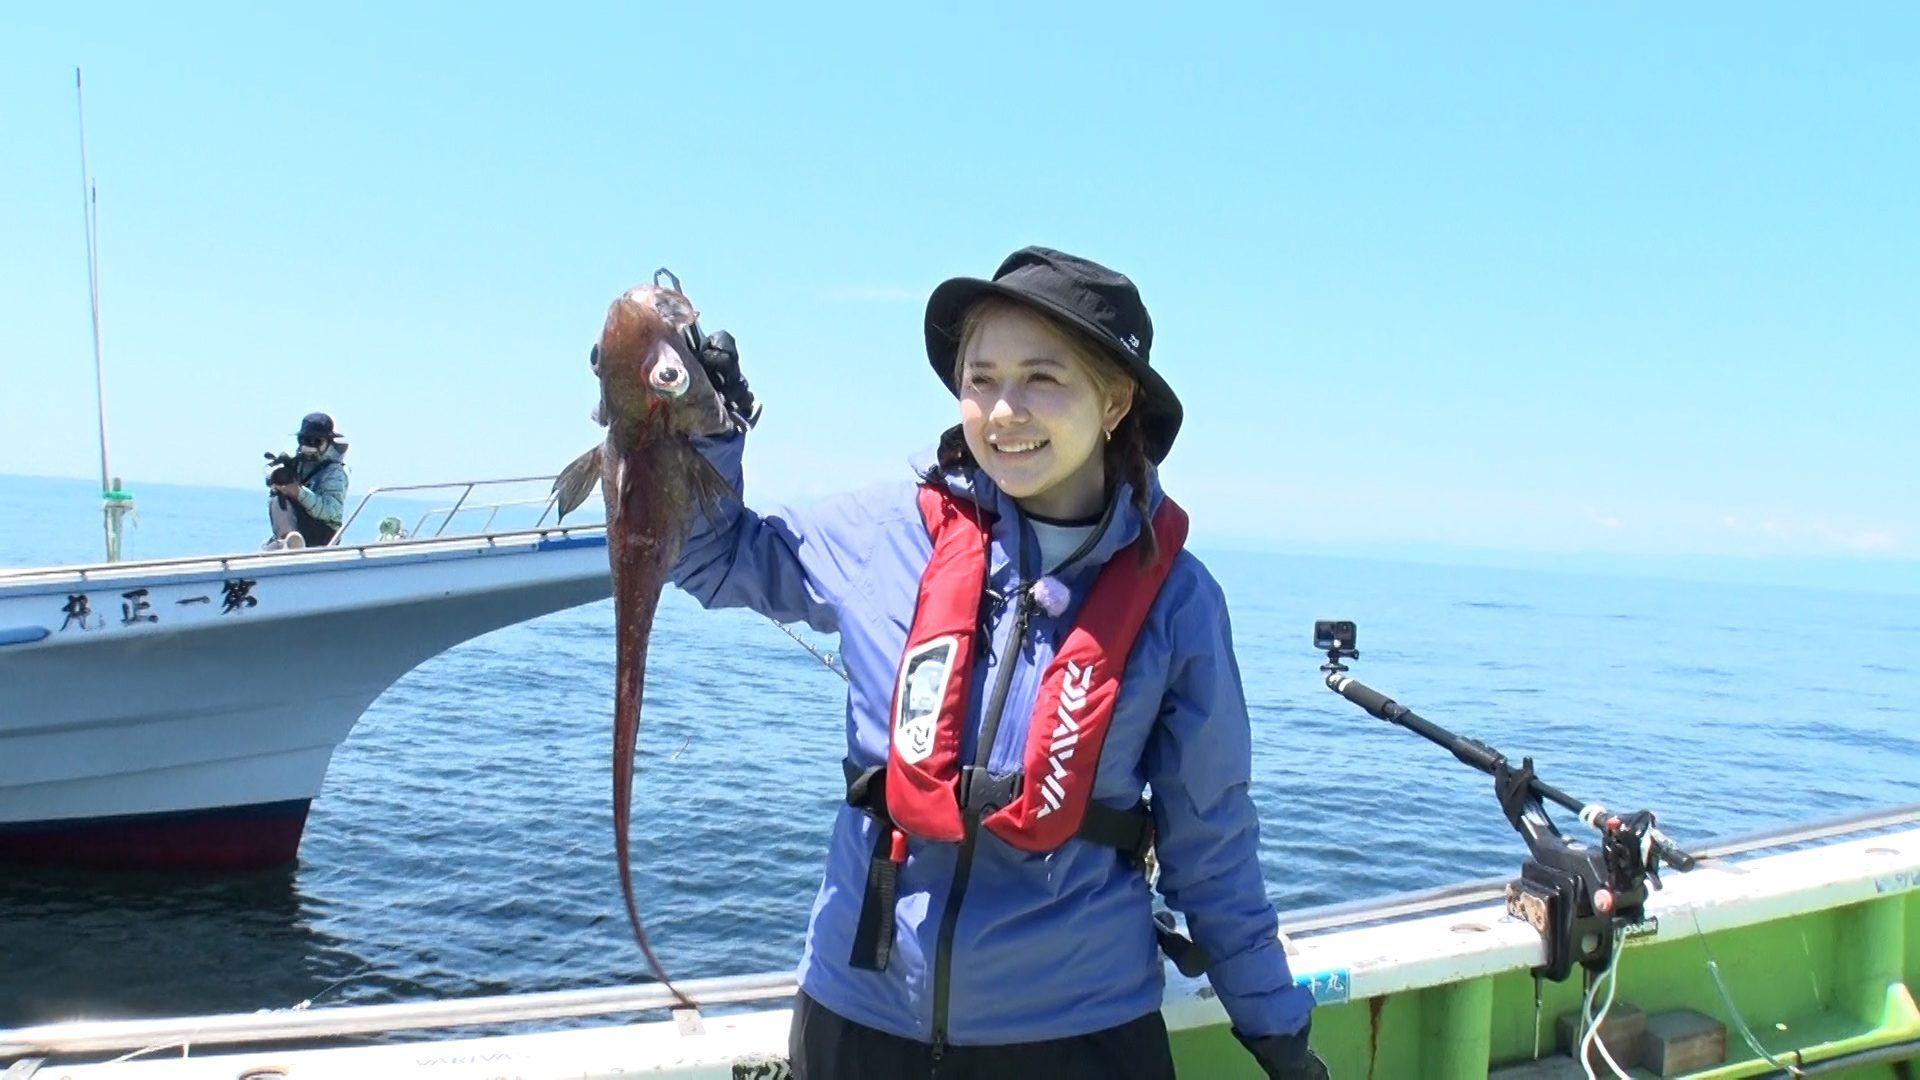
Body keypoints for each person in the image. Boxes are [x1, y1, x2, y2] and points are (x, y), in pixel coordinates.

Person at [670, 247, 1325, 1079]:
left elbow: (1213, 844)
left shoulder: (1178, 603)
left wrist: (1278, 1036)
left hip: (1078, 1033)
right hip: (859, 1018)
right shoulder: (885, 532)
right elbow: (713, 557)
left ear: (1116, 401)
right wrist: (695, 422)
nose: (1004, 410)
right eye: (981, 379)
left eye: (1043, 378)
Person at [267, 412, 349, 548]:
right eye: (304, 440)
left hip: (324, 533)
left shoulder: (335, 472)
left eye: (316, 441)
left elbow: (331, 512)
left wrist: (299, 493)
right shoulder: (297, 465)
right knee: (278, 498)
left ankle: (290, 542)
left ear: (328, 442)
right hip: (300, 528)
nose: (310, 445)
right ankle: (289, 540)